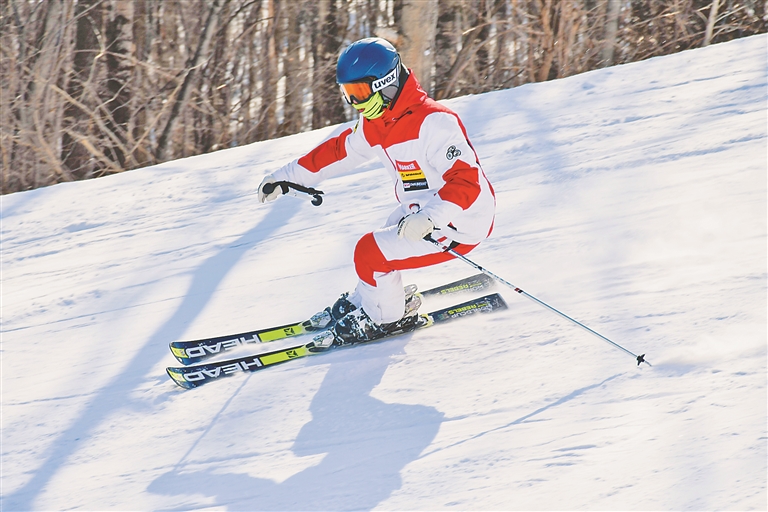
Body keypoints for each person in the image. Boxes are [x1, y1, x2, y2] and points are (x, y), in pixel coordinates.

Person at [258, 37, 495, 349]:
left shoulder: (434, 122)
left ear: (385, 83)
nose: (355, 103)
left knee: (369, 252)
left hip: (461, 220)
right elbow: (340, 150)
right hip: (423, 208)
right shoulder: (378, 120)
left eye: (359, 92)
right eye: (348, 94)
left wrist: (430, 218)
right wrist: (285, 177)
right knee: (387, 234)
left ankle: (383, 318)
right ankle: (373, 298)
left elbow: (467, 182)